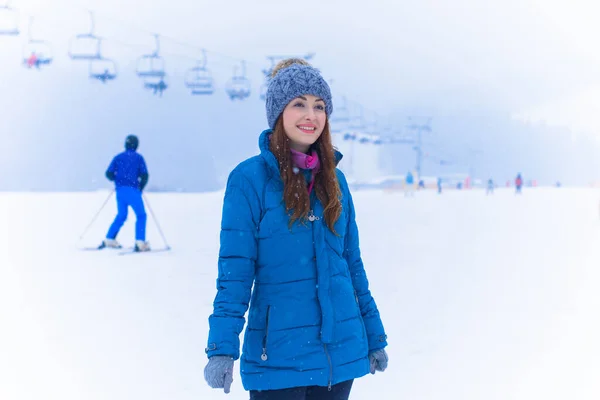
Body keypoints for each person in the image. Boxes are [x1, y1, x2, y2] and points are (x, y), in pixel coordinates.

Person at [203, 59, 388, 399]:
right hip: (276, 360)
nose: (311, 115)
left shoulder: (336, 181)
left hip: (338, 358)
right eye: (299, 104)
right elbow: (235, 272)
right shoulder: (249, 180)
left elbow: (352, 265)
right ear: (279, 113)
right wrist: (221, 347)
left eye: (319, 106)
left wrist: (374, 335)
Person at [99, 135, 150, 252]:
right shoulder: (139, 158)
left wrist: (117, 179)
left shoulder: (118, 157)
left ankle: (109, 239)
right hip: (133, 191)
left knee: (121, 215)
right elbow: (145, 175)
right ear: (136, 145)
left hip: (120, 191)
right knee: (141, 215)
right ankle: (140, 242)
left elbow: (108, 173)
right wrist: (141, 187)